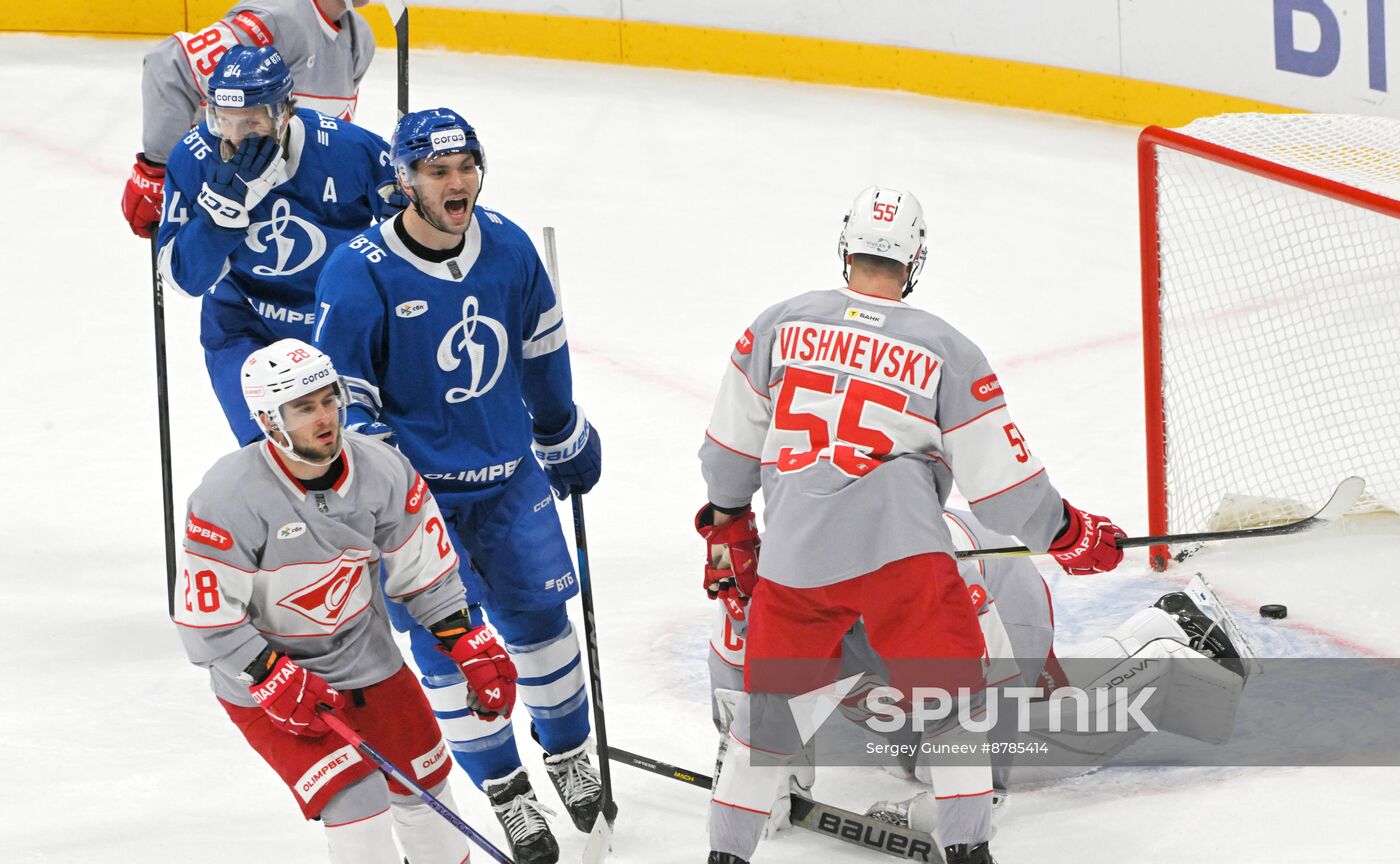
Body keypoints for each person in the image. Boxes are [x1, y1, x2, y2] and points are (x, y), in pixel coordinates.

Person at [695, 186, 1127, 864]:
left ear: (847, 248)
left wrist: (729, 525)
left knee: (763, 728)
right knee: (955, 709)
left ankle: (725, 856)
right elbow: (1006, 491)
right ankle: (968, 851)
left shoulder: (776, 325)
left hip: (795, 560)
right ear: (915, 261)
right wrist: (1072, 533)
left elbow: (727, 455)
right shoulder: (946, 348)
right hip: (906, 559)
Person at [312, 108, 607, 864]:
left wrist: (561, 428)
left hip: (509, 480)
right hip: (421, 506)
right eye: (439, 171)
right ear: (405, 181)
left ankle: (569, 755)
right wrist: (383, 492)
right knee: (451, 648)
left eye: (466, 166)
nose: (457, 183)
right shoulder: (359, 269)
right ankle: (507, 790)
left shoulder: (507, 247)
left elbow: (542, 349)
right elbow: (346, 400)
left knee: (544, 625)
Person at [173, 338, 519, 864]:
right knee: (360, 808)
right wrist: (268, 672)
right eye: (304, 407)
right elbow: (207, 622)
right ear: (269, 420)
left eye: (329, 399)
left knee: (429, 801)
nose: (325, 416)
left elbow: (425, 574)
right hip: (268, 686)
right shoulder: (228, 496)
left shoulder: (382, 470)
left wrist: (468, 641)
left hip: (368, 662)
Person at [155, 45, 398, 446]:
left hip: (337, 322)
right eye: (223, 121)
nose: (234, 139)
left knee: (361, 452)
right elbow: (183, 281)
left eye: (251, 123)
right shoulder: (194, 158)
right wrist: (221, 214)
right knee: (273, 456)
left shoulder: (347, 149)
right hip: (244, 325)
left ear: (284, 112)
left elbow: (415, 234)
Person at [123, 0, 375, 239]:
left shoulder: (361, 39)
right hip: (233, 201)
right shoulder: (277, 19)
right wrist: (158, 170)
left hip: (297, 207)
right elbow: (170, 64)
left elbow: (330, 129)